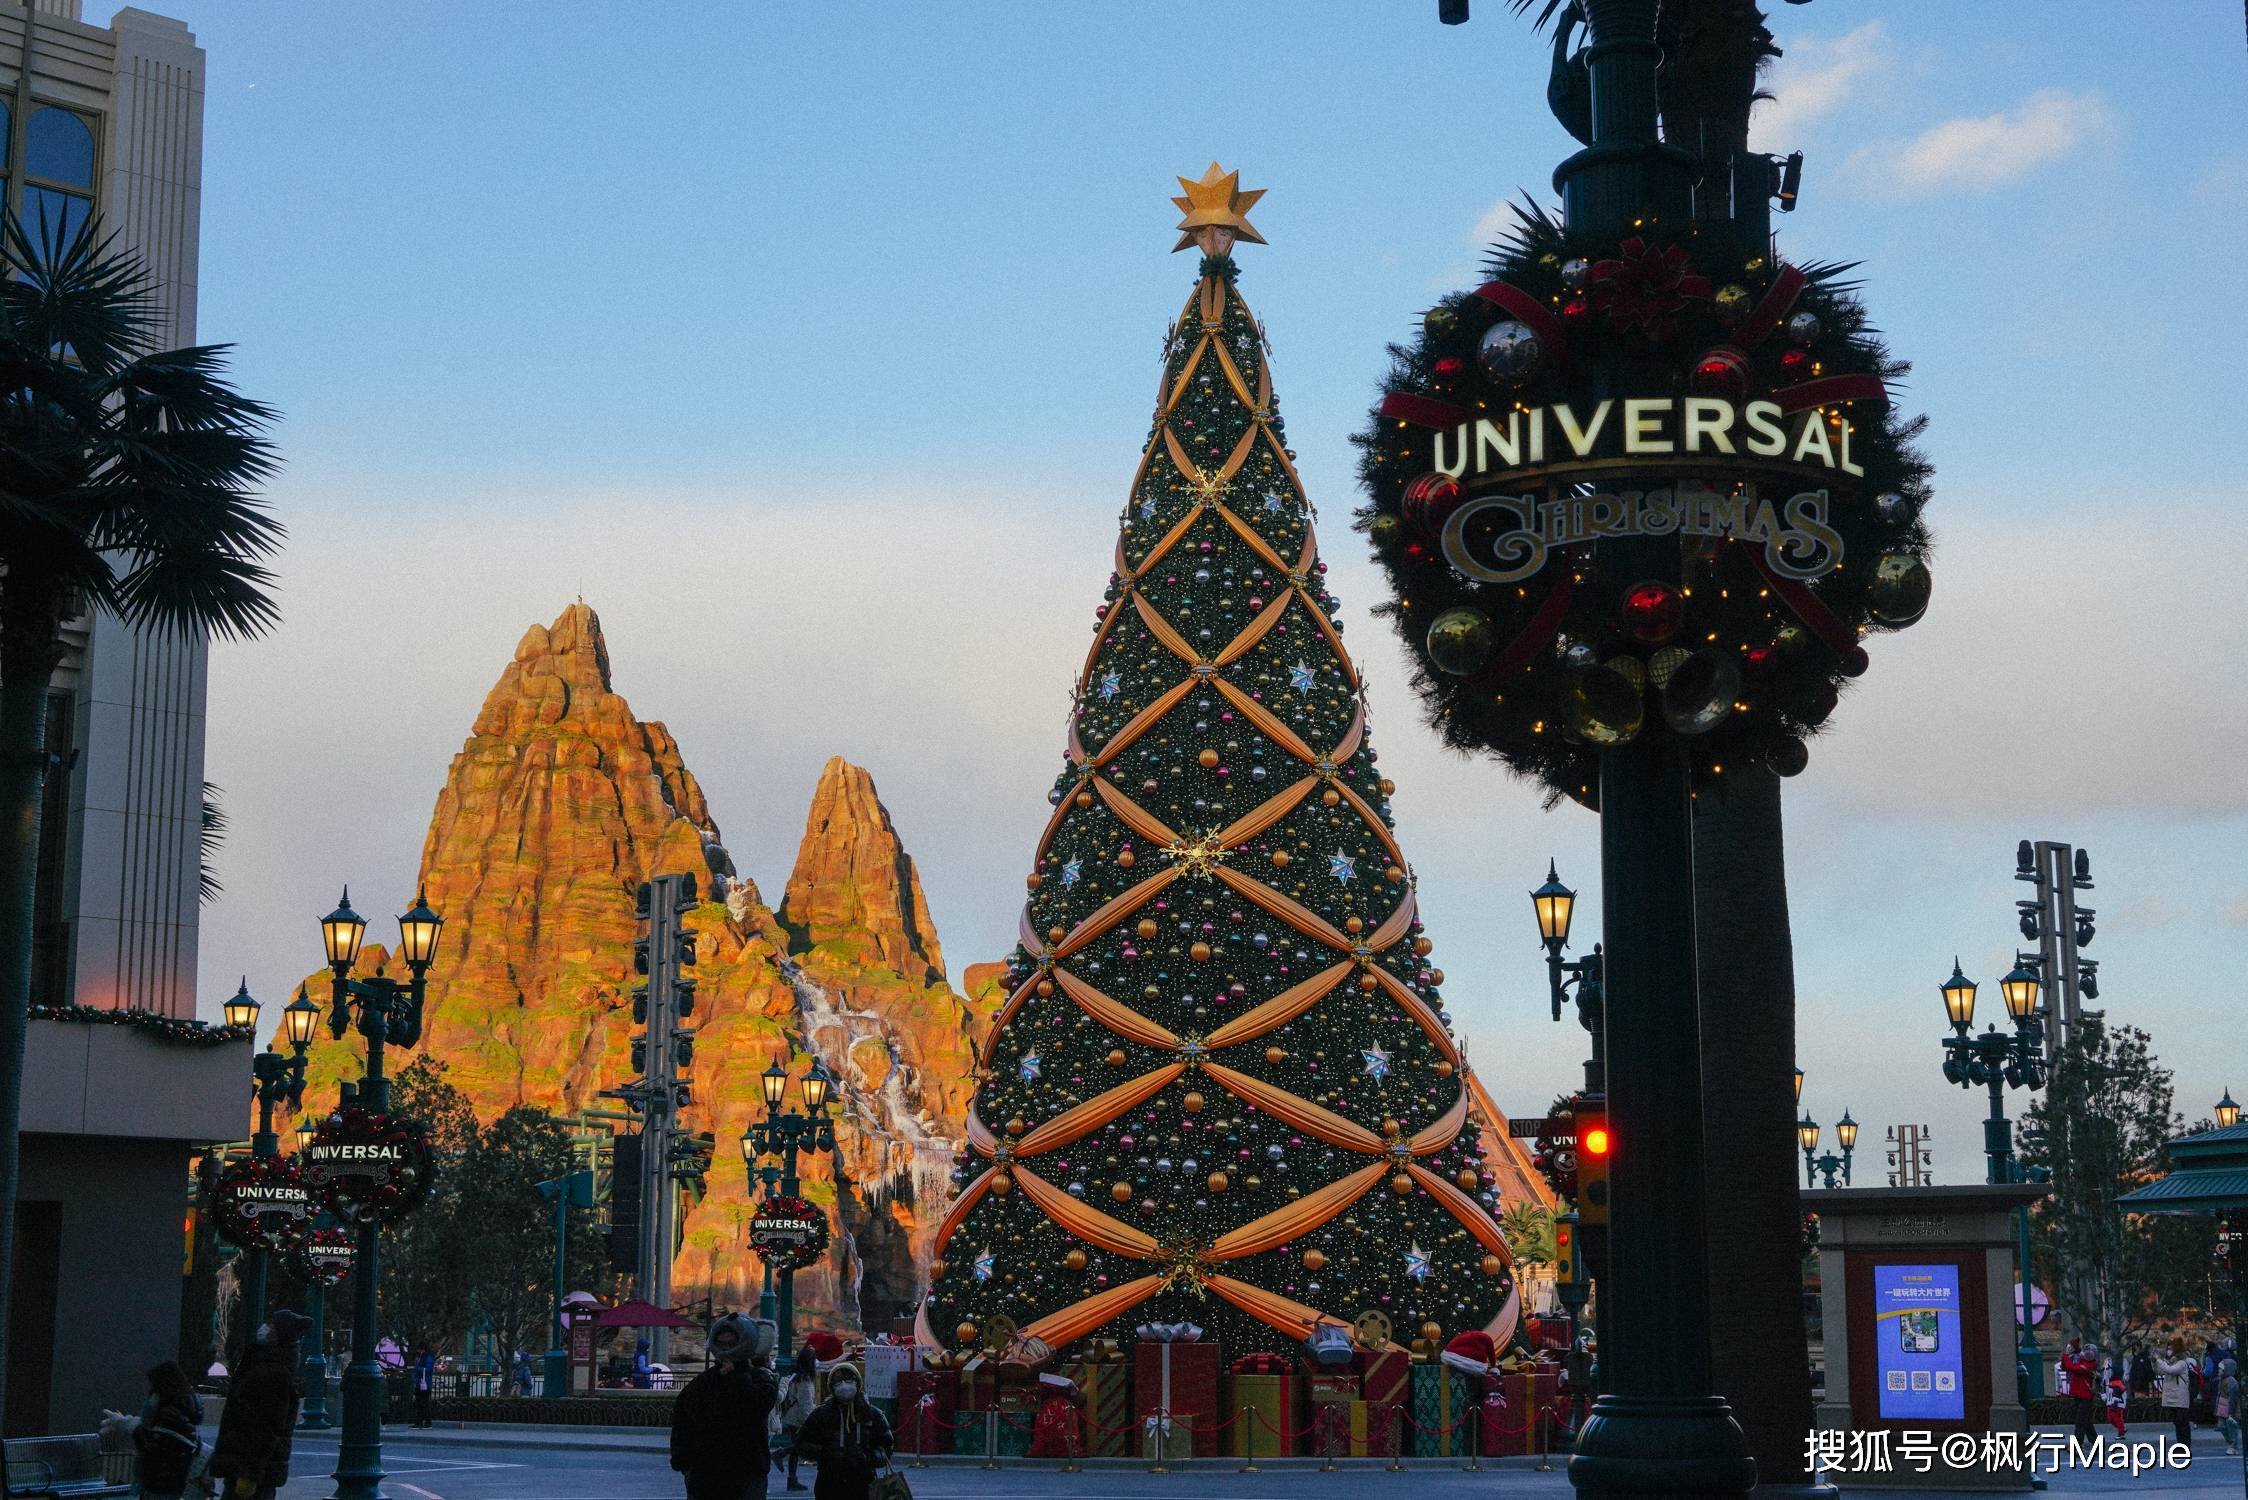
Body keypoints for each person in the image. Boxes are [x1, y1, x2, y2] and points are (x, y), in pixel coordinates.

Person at [670, 1314, 779, 1500]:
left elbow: (758, 1405)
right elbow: (682, 1421)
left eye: (732, 1344)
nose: (727, 1350)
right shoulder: (702, 1383)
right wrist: (684, 1462)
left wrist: (736, 1377)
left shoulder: (759, 1379)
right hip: (706, 1473)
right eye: (722, 1345)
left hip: (746, 1472)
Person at [210, 1311, 308, 1500]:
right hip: (248, 1468)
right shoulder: (268, 1366)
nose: (265, 1328)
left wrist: (250, 1474)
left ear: (279, 1335)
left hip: (250, 1471)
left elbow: (267, 1428)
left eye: (270, 1325)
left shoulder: (271, 1372)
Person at [793, 1361, 893, 1500]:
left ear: (858, 1382)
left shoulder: (872, 1414)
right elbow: (802, 1443)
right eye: (838, 1381)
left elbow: (886, 1445)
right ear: (831, 1386)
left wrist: (869, 1457)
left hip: (863, 1483)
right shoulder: (821, 1414)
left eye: (849, 1379)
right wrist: (826, 1454)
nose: (844, 1384)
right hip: (829, 1483)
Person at [109, 1359, 203, 1500]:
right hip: (174, 1483)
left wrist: (131, 1426)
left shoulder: (169, 1413)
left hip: (160, 1484)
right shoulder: (184, 1409)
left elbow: (152, 1447)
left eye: (154, 1388)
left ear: (163, 1387)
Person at [775, 1344, 819, 1493]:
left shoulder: (796, 1377)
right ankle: (781, 1454)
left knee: (797, 1448)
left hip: (792, 1417)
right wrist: (813, 1422)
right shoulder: (805, 1381)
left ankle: (792, 1480)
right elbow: (805, 1405)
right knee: (801, 1446)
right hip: (798, 1419)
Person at [2153, 1336, 2196, 1450]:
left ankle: (2185, 1447)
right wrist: (2159, 1361)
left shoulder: (2182, 1363)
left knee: (2183, 1424)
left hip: (2180, 1398)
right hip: (2173, 1397)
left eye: (2171, 1348)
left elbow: (2169, 1370)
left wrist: (2159, 1360)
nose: (2169, 1350)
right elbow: (2161, 1371)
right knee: (2178, 1424)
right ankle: (2180, 1445)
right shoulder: (2171, 1362)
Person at [2059, 1337, 2099, 1446]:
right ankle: (2096, 1444)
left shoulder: (2089, 1366)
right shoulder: (2082, 1361)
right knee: (2086, 1423)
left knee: (2080, 1422)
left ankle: (2077, 1447)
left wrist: (2066, 1354)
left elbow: (2070, 1367)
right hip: (2078, 1395)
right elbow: (2065, 1366)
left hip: (2086, 1397)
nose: (2084, 1353)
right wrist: (2072, 1347)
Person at [2216, 1357, 2239, 1457]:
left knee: (2231, 1428)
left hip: (2228, 1407)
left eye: (2221, 1369)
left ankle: (2233, 1446)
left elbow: (2233, 1397)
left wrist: (2231, 1412)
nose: (2219, 1371)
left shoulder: (2231, 1381)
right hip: (2222, 1407)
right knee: (2221, 1426)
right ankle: (2231, 1443)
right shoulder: (2222, 1380)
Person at [411, 1345, 436, 1428]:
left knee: (423, 1403)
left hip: (423, 1383)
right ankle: (420, 1421)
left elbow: (428, 1369)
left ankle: (425, 1422)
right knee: (420, 1403)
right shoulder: (424, 1357)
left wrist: (417, 1368)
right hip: (422, 1383)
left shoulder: (426, 1357)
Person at [2102, 1370, 2128, 1439]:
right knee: (2111, 1418)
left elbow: (2116, 1393)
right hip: (2113, 1403)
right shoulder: (2114, 1383)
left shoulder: (2115, 1383)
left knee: (2116, 1418)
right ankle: (2122, 1429)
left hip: (2116, 1404)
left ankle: (2121, 1433)